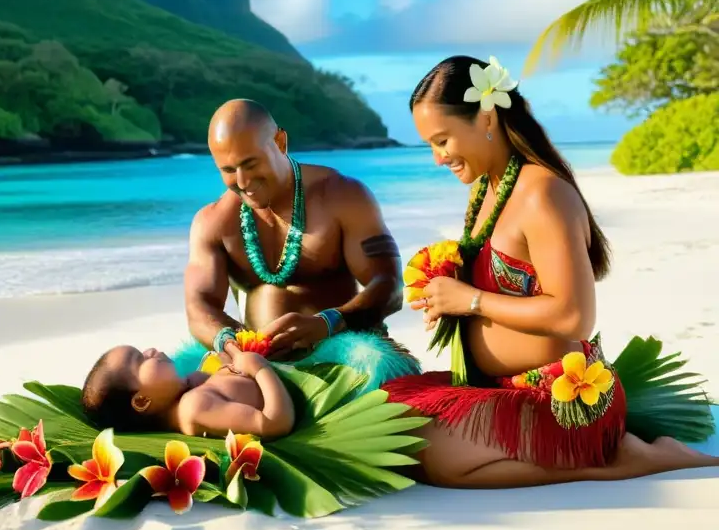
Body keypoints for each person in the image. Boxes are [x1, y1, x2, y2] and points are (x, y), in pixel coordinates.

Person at [381, 55, 717, 487]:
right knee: (393, 427)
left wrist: (471, 300)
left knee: (438, 458)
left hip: (560, 400)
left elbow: (573, 316)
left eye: (442, 140)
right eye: (430, 144)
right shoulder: (488, 189)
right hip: (500, 389)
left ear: (486, 117)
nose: (437, 158)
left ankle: (631, 459)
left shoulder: (543, 194)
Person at [170, 98, 420, 391]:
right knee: (170, 387)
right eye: (228, 169)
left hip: (341, 354)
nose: (243, 180)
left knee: (378, 371)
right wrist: (230, 342)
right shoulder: (213, 222)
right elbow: (198, 306)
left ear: (279, 142)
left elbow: (390, 287)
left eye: (250, 163)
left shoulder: (342, 196)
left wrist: (327, 323)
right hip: (258, 365)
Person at [81, 344, 295, 440]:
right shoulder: (195, 408)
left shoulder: (189, 386)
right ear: (142, 400)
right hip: (292, 400)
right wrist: (260, 368)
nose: (151, 351)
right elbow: (274, 424)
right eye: (140, 359)